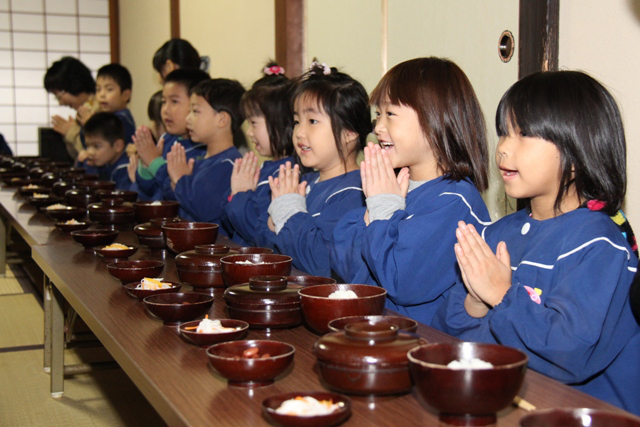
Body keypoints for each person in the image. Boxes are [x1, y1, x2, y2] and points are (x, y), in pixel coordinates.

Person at [432, 71, 640, 415]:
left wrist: (501, 295)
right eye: (504, 132)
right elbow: (453, 334)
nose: (503, 147)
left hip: (586, 414)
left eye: (524, 134)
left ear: (578, 150)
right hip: (510, 403)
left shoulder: (600, 244)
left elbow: (571, 354)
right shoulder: (500, 233)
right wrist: (476, 299)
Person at [331, 57, 491, 325]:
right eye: (378, 115)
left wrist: (382, 211)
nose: (378, 127)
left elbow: (402, 281)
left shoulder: (454, 202)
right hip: (373, 332)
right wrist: (376, 211)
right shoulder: (394, 188)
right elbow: (344, 264)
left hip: (420, 346)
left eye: (390, 114)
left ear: (434, 120)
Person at [255, 62, 369, 276]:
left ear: (349, 132)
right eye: (297, 121)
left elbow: (321, 261)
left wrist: (287, 213)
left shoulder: (355, 193)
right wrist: (276, 217)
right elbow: (263, 244)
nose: (299, 132)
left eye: (313, 121)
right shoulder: (305, 180)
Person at [223, 62, 295, 245]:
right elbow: (230, 222)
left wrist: (240, 194)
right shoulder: (268, 167)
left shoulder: (287, 175)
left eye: (254, 123)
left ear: (279, 122)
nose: (248, 132)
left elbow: (256, 231)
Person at [156, 78, 245, 228]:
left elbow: (201, 208)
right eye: (189, 111)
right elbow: (175, 201)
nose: (188, 118)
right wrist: (174, 179)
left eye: (195, 111)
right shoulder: (201, 158)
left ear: (222, 119)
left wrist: (179, 179)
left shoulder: (229, 164)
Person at [133, 69, 209, 200]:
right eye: (163, 102)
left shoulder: (203, 151)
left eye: (174, 101)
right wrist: (146, 164)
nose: (165, 110)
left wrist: (154, 162)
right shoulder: (167, 139)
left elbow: (181, 197)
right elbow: (150, 190)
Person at [43, 56, 98, 161]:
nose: (60, 102)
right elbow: (76, 157)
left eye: (59, 95)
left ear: (73, 84)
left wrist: (72, 132)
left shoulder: (100, 109)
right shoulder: (83, 111)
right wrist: (68, 134)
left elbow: (95, 155)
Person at [83, 112, 131, 190]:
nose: (90, 152)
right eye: (87, 146)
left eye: (96, 146)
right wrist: (90, 167)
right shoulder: (105, 163)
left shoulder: (125, 169)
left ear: (118, 146)